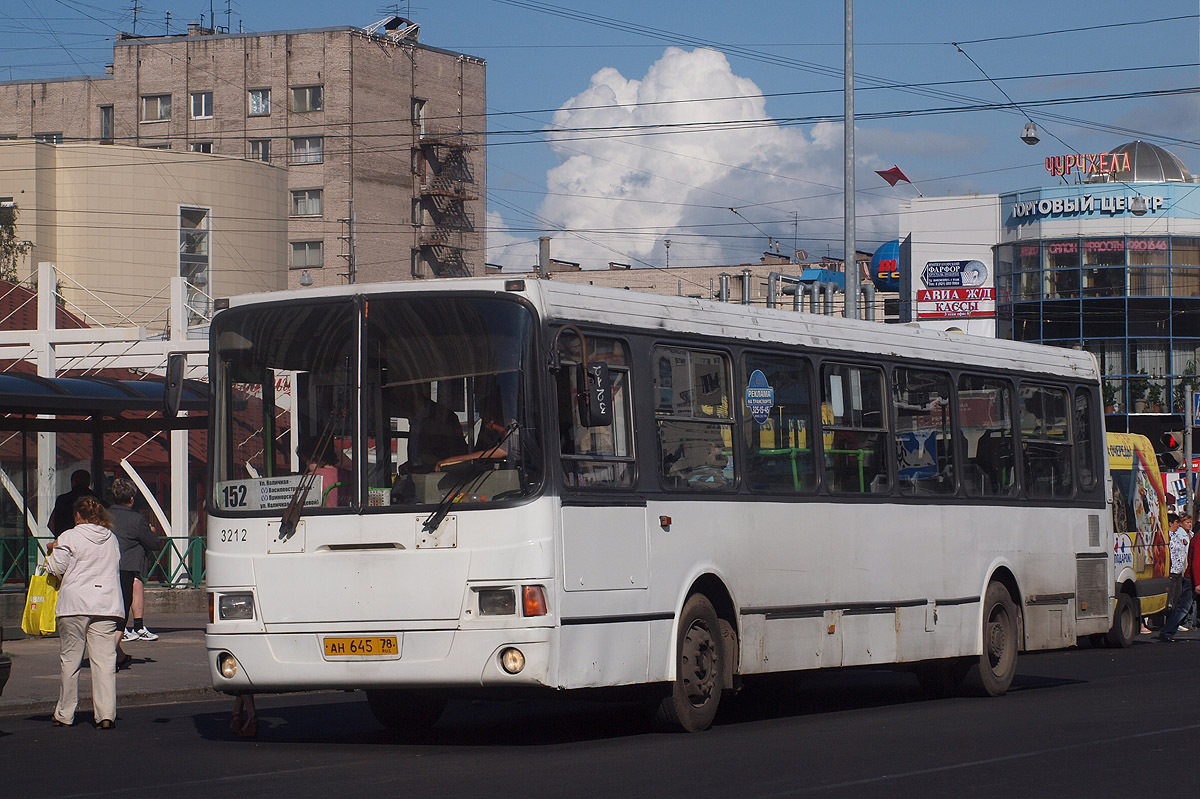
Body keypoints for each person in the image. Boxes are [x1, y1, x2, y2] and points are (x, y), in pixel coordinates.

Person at [44, 495, 123, 728]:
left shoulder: (68, 536)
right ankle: (106, 714)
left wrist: (52, 550)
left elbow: (57, 568)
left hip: (75, 605)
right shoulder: (111, 538)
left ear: (77, 515)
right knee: (105, 662)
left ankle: (65, 713)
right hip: (107, 604)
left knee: (70, 661)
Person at [109, 478, 161, 650]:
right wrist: (151, 532)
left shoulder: (104, 515)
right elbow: (154, 543)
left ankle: (119, 654)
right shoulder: (137, 519)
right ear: (131, 498)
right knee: (122, 608)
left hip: (106, 567)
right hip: (127, 567)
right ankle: (112, 652)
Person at [1160, 524, 1200, 642]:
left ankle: (1168, 631)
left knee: (1183, 607)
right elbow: (1196, 564)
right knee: (1183, 607)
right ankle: (1168, 632)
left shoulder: (1196, 538)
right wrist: (1197, 583)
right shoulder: (1198, 540)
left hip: (1193, 578)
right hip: (1193, 579)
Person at [50, 469, 98, 536]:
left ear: (73, 482)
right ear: (88, 482)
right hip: (91, 540)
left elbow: (51, 524)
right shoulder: (95, 500)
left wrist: (61, 537)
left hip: (65, 540)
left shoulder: (62, 500)